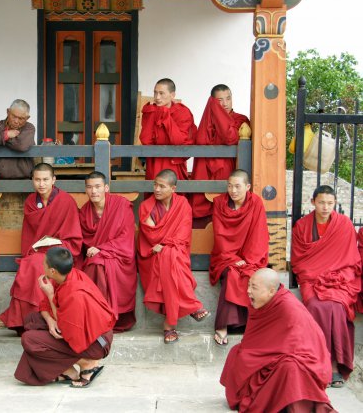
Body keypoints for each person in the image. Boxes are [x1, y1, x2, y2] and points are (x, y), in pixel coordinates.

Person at [220, 268, 335, 413]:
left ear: (271, 291)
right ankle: (251, 396)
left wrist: (268, 357)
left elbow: (299, 345)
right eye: (248, 285)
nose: (248, 291)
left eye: (254, 287)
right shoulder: (261, 303)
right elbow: (254, 339)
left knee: (290, 367)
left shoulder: (289, 308)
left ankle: (289, 404)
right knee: (237, 352)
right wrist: (257, 355)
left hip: (303, 358)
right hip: (272, 352)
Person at [0, 163, 82, 332]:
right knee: (29, 263)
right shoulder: (31, 202)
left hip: (60, 250)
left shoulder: (66, 201)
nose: (41, 184)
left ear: (53, 180)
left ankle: (26, 318)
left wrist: (55, 243)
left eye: (46, 179)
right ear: (32, 180)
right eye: (37, 179)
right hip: (39, 250)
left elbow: (73, 236)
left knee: (34, 265)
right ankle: (23, 319)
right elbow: (29, 235)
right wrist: (32, 250)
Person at [291, 185, 362, 388]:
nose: (325, 207)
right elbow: (298, 261)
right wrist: (318, 274)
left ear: (335, 204)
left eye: (330, 203)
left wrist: (333, 275)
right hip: (312, 279)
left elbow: (351, 259)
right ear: (313, 202)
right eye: (321, 202)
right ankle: (313, 364)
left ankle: (334, 366)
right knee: (314, 306)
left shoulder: (344, 224)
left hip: (339, 278)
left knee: (337, 307)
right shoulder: (302, 226)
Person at [14, 247, 115, 387]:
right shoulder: (64, 276)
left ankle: (86, 363)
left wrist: (50, 295)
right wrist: (50, 321)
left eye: (44, 263)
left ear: (52, 271)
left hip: (96, 343)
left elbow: (67, 330)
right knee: (32, 320)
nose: (42, 265)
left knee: (29, 339)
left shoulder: (75, 294)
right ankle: (68, 370)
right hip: (80, 331)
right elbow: (44, 306)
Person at [137, 169, 210, 344]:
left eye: (162, 186)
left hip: (174, 252)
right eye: (155, 184)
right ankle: (191, 305)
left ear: (173, 188)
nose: (157, 189)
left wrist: (166, 246)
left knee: (170, 257)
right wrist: (166, 246)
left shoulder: (183, 204)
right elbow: (152, 236)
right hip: (151, 255)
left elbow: (183, 235)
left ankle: (169, 324)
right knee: (169, 259)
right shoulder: (146, 206)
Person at [209, 170, 268, 346]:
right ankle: (223, 325)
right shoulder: (219, 203)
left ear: (247, 187)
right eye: (229, 186)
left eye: (237, 186)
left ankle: (250, 326)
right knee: (231, 274)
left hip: (251, 256)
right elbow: (219, 234)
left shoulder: (256, 203)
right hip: (225, 255)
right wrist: (232, 258)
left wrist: (249, 259)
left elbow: (259, 235)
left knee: (250, 275)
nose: (233, 191)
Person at [77, 171, 137, 332]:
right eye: (89, 187)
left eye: (97, 187)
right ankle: (95, 316)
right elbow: (83, 241)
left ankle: (105, 317)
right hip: (96, 256)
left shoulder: (121, 206)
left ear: (106, 188)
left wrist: (102, 249)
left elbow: (126, 238)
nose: (94, 191)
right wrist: (97, 251)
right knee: (94, 264)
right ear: (85, 190)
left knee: (97, 263)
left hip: (120, 256)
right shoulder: (84, 212)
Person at [191, 85, 251, 218]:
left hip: (227, 169)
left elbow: (230, 137)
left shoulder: (240, 119)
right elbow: (200, 140)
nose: (225, 104)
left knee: (227, 208)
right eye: (219, 101)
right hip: (205, 170)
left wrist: (218, 113)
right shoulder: (208, 119)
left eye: (228, 99)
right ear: (212, 102)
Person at [139, 79, 196, 183]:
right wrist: (151, 114)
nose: (157, 97)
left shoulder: (182, 112)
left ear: (172, 95)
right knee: (155, 195)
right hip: (155, 163)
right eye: (155, 93)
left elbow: (178, 141)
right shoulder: (152, 111)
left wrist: (165, 115)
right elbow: (145, 140)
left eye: (161, 93)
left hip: (174, 164)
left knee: (175, 197)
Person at [0, 99, 36, 179]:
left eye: (21, 118)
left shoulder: (29, 128)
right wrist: (5, 135)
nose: (16, 121)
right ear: (8, 112)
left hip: (22, 180)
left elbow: (21, 145)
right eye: (14, 116)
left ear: (27, 118)